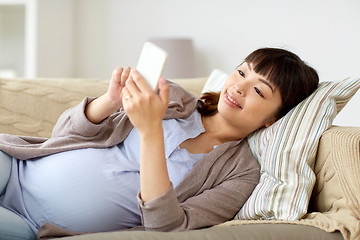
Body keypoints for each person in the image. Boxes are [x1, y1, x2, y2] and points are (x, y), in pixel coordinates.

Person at [0, 48, 319, 239]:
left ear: (273, 119)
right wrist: (111, 100)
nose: (238, 88)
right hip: (16, 166)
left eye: (259, 91)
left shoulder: (241, 175)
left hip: (33, 225)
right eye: (241, 73)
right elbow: (64, 134)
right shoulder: (175, 99)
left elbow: (167, 228)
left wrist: (151, 132)